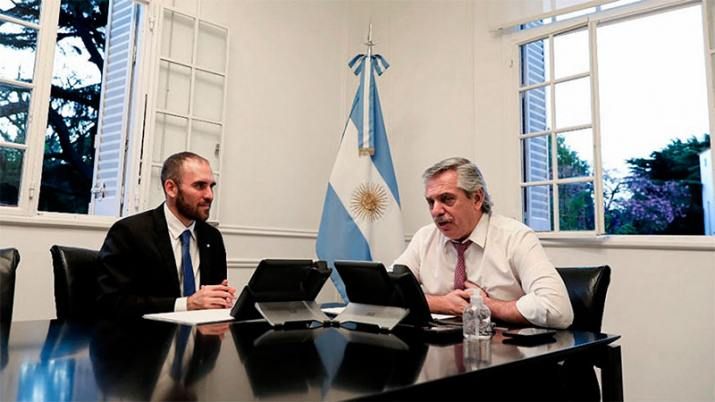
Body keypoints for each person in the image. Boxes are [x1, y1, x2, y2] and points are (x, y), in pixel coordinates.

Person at [393, 157, 573, 329]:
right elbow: (386, 292)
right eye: (431, 202)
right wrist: (442, 303)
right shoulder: (425, 238)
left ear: (477, 199)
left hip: (505, 345)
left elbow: (558, 309)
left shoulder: (515, 237)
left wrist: (486, 305)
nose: (436, 211)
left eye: (447, 199)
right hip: (441, 344)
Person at [97, 152, 236, 319]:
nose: (209, 195)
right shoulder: (130, 232)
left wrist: (220, 299)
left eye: (211, 186)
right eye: (199, 186)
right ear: (171, 188)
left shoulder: (212, 237)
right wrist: (186, 304)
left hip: (201, 332)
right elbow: (111, 302)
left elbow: (212, 298)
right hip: (145, 333)